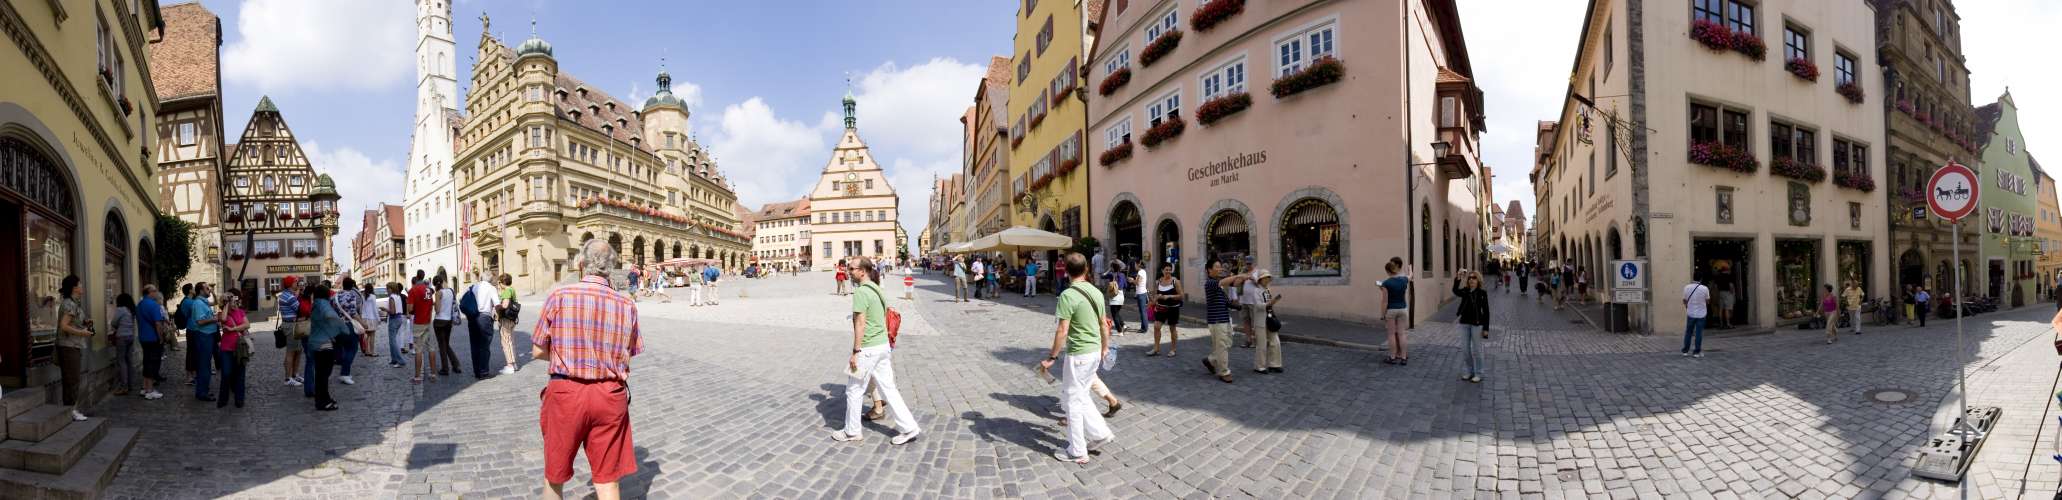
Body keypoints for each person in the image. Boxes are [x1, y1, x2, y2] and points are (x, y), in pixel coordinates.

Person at [534, 239, 644, 499]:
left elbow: (538, 350)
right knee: (608, 482)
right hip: (609, 395)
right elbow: (629, 355)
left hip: (566, 394)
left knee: (554, 477)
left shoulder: (559, 295)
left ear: (581, 264)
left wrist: (568, 353)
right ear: (611, 268)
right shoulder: (626, 305)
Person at [830, 257, 924, 445]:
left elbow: (860, 323)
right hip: (882, 346)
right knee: (889, 388)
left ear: (862, 271)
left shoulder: (861, 292)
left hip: (868, 347)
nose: (849, 271)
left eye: (852, 269)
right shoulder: (877, 288)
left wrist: (856, 351)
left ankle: (852, 431)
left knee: (854, 391)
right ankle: (909, 427)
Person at [1041, 252, 1115, 463]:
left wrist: (1052, 357)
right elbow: (1103, 323)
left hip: (1079, 354)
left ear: (1065, 271)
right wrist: (1105, 347)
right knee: (1082, 396)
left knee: (1072, 401)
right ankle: (1101, 433)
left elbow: (1062, 330)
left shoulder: (1067, 295)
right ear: (1087, 270)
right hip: (1093, 352)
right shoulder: (1096, 292)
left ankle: (1077, 450)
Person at [55, 277, 96, 420]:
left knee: (72, 379)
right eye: (80, 284)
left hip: (73, 345)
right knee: (72, 380)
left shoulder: (74, 303)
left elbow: (73, 321)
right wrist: (82, 333)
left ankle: (71, 410)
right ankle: (70, 411)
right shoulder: (69, 304)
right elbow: (64, 326)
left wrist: (85, 322)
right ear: (74, 288)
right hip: (68, 346)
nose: (82, 286)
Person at [1230, 269, 1284, 374]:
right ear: (1260, 279)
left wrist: (1272, 303)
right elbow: (1258, 306)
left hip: (1269, 318)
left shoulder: (1268, 289)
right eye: (1265, 278)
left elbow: (1269, 304)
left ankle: (1275, 364)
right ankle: (1260, 366)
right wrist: (1269, 304)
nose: (1267, 279)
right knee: (1262, 344)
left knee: (1275, 342)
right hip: (1260, 320)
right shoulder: (1256, 291)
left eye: (1268, 277)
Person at [306, 284, 345, 411]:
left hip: (318, 345)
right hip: (324, 345)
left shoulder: (316, 306)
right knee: (323, 374)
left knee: (321, 374)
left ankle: (324, 397)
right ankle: (322, 401)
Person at [1199, 261, 1237, 383]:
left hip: (1225, 318)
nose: (1220, 268)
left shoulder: (1218, 285)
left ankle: (1211, 360)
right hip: (1216, 320)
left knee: (1227, 343)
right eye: (1217, 266)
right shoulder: (1210, 283)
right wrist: (1237, 276)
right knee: (1222, 346)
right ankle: (1224, 372)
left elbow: (1227, 290)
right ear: (1209, 270)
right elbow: (1225, 281)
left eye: (1220, 266)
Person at [184, 282, 221, 401]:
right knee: (204, 365)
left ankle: (204, 390)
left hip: (207, 335)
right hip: (204, 336)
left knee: (205, 365)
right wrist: (214, 319)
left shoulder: (202, 302)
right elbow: (200, 321)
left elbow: (214, 303)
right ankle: (202, 393)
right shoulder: (199, 303)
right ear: (200, 291)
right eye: (207, 288)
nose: (209, 290)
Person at [1453, 270, 1489, 383]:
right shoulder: (1465, 291)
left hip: (1477, 324)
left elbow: (1486, 312)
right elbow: (1455, 291)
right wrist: (1458, 277)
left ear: (1478, 280)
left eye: (1474, 278)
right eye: (1469, 278)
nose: (1471, 280)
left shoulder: (1482, 293)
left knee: (1477, 350)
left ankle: (1479, 373)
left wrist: (1486, 329)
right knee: (1465, 349)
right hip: (1464, 323)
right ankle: (1470, 371)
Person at [216, 290, 250, 408]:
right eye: (232, 300)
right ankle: (223, 399)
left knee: (240, 374)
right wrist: (226, 304)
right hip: (226, 348)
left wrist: (233, 329)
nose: (235, 301)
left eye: (234, 299)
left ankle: (239, 400)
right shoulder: (221, 313)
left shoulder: (240, 312)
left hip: (240, 347)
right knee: (226, 373)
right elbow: (224, 319)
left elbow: (247, 325)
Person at [136, 285, 169, 400]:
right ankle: (149, 390)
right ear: (149, 292)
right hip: (152, 338)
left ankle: (144, 387)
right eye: (155, 290)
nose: (156, 292)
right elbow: (158, 324)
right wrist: (161, 337)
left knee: (146, 361)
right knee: (152, 363)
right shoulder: (153, 305)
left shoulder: (140, 304)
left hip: (143, 337)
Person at [465, 273, 501, 379]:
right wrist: (500, 314)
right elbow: (497, 304)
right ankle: (484, 371)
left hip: (472, 318)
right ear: (490, 279)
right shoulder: (491, 288)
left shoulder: (473, 287)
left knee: (474, 345)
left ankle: (477, 371)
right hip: (485, 318)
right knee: (484, 346)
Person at [1377, 259, 1412, 365]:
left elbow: (1385, 302)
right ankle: (1404, 357)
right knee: (1402, 334)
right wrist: (1410, 268)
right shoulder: (1404, 280)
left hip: (1391, 310)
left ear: (1388, 271)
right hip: (1403, 309)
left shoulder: (1386, 283)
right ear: (1396, 269)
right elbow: (1410, 276)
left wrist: (1382, 315)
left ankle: (1392, 357)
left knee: (1391, 334)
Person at [333, 278, 365, 386]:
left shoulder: (336, 296)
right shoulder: (351, 296)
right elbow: (353, 313)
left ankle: (345, 371)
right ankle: (345, 373)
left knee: (345, 348)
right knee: (352, 348)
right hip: (348, 324)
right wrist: (363, 323)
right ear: (352, 286)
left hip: (338, 326)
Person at [1148, 264, 1184, 358]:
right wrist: (1153, 301)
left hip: (1173, 308)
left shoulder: (1175, 281)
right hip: (1160, 308)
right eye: (1166, 269)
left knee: (1172, 328)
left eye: (1169, 270)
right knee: (1156, 326)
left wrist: (1169, 296)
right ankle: (1156, 348)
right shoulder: (1159, 282)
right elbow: (1156, 295)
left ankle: (1173, 349)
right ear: (1162, 270)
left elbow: (1181, 296)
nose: (1168, 271)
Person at [408, 275, 439, 383]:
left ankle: (417, 377)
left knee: (419, 350)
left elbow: (410, 309)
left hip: (419, 323)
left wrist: (414, 310)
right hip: (428, 321)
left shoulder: (413, 290)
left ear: (414, 281)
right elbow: (431, 305)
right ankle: (433, 374)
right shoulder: (429, 291)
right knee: (431, 348)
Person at [432, 274, 462, 376]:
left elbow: (438, 309)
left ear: (435, 285)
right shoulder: (450, 291)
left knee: (442, 345)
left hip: (439, 321)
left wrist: (434, 304)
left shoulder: (438, 293)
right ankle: (456, 364)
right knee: (446, 344)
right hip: (449, 321)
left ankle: (445, 368)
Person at [278, 276, 306, 387]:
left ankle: (294, 374)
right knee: (291, 352)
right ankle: (288, 378)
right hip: (291, 326)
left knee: (298, 350)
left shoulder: (285, 295)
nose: (297, 284)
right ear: (291, 284)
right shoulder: (290, 297)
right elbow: (301, 310)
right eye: (296, 282)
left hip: (292, 324)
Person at [109, 293, 137, 397]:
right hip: (130, 336)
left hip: (122, 337)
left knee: (121, 362)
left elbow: (113, 323)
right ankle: (130, 384)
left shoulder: (121, 309)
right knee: (129, 361)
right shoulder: (131, 310)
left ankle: (123, 387)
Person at [495, 274, 521, 375]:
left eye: (499, 282)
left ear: (502, 282)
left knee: (505, 341)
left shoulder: (506, 291)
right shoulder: (512, 289)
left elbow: (505, 305)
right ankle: (513, 364)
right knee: (510, 340)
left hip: (506, 319)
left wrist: (497, 307)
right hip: (512, 319)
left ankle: (510, 365)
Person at [1681, 277, 1710, 358]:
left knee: (1688, 332)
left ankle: (1685, 351)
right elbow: (1707, 301)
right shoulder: (1705, 288)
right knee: (1698, 333)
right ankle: (1696, 352)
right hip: (1701, 314)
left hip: (1690, 313)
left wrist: (1688, 306)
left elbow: (1684, 300)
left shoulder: (1687, 287)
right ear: (1701, 279)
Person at [383, 283, 408, 368]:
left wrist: (384, 309)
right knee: (393, 341)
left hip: (394, 319)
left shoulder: (391, 298)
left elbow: (392, 311)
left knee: (393, 341)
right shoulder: (397, 296)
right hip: (399, 318)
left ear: (391, 289)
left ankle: (400, 361)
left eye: (387, 288)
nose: (386, 290)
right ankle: (394, 359)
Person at [1103, 261, 1129, 334]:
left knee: (1114, 315)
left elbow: (1102, 276)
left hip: (1114, 297)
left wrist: (1108, 270)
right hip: (1121, 296)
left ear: (1112, 268)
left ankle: (1120, 331)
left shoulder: (1111, 275)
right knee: (1117, 313)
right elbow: (1126, 286)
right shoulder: (1122, 275)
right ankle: (1123, 325)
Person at [358, 283, 381, 359]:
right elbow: (375, 309)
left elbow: (361, 308)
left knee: (366, 335)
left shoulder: (362, 296)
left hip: (364, 318)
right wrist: (378, 318)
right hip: (372, 318)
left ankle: (367, 351)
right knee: (372, 336)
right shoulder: (373, 296)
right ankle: (372, 352)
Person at [1132, 260, 1151, 331]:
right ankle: (1143, 327)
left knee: (1143, 311)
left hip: (1141, 294)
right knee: (1142, 311)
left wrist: (1132, 280)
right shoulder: (1143, 271)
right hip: (1141, 293)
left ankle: (1144, 328)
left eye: (1135, 264)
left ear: (1138, 264)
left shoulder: (1140, 272)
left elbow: (1138, 283)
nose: (1134, 266)